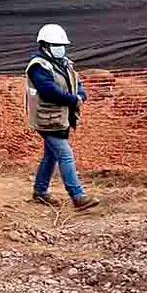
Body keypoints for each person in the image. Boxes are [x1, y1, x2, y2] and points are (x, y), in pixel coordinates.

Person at [26, 24, 101, 211]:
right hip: (47, 120)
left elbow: (77, 82)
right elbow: (48, 90)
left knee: (50, 156)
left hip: (61, 118)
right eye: (55, 45)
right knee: (65, 155)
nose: (60, 48)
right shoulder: (38, 66)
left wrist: (80, 95)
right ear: (44, 46)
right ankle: (77, 196)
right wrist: (73, 99)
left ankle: (40, 191)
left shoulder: (65, 63)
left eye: (61, 45)